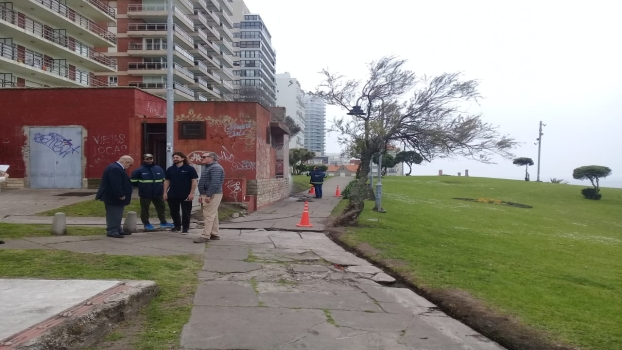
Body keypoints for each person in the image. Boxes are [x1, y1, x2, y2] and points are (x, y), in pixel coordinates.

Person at [130, 153, 175, 231]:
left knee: (161, 207)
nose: (149, 160)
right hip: (145, 194)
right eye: (147, 159)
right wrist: (143, 187)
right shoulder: (139, 170)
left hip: (158, 193)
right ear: (144, 160)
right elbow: (133, 181)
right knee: (145, 209)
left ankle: (163, 222)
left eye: (150, 158)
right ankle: (146, 223)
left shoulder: (159, 169)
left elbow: (163, 180)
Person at [95, 155, 134, 238]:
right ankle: (112, 230)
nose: (129, 167)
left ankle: (118, 229)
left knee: (118, 213)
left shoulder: (114, 167)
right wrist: (120, 194)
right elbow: (116, 183)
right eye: (130, 165)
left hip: (112, 196)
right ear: (126, 162)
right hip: (113, 197)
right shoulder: (116, 169)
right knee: (114, 213)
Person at [194, 151, 225, 243]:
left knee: (208, 214)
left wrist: (208, 195)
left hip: (212, 194)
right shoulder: (210, 167)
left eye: (204, 157)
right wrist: (201, 194)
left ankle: (205, 235)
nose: (201, 158)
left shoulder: (215, 168)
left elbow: (215, 182)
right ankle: (214, 234)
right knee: (213, 214)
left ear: (211, 158)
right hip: (210, 193)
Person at [163, 151, 198, 234]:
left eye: (177, 157)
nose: (175, 159)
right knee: (174, 211)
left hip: (185, 194)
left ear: (182, 158)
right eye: (174, 157)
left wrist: (192, 193)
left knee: (186, 212)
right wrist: (165, 192)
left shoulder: (189, 168)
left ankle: (185, 228)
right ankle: (177, 226)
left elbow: (194, 181)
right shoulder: (170, 169)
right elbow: (167, 181)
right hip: (173, 194)